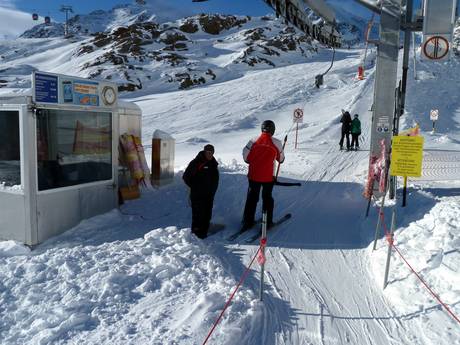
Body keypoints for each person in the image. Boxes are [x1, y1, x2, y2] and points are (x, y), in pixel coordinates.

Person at [241, 120, 285, 230]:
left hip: (253, 175)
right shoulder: (277, 143)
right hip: (268, 178)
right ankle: (266, 223)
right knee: (267, 198)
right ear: (273, 130)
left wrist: (250, 160)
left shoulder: (253, 140)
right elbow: (281, 159)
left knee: (252, 197)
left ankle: (247, 221)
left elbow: (245, 155)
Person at [183, 144, 219, 239]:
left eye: (211, 152)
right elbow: (186, 177)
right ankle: (195, 236)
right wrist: (195, 187)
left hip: (209, 195)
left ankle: (204, 234)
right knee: (198, 216)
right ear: (204, 152)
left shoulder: (213, 163)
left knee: (207, 215)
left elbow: (215, 179)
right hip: (197, 195)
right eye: (208, 152)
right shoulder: (196, 162)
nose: (210, 154)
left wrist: (212, 191)